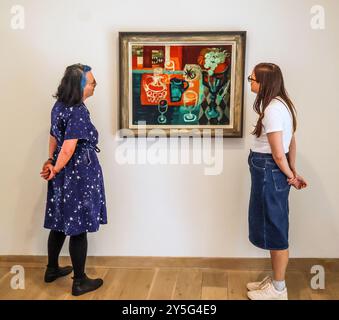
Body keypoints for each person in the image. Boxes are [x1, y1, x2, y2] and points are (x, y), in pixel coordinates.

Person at [40, 63, 107, 296]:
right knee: (79, 226)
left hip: (63, 170)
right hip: (78, 173)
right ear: (78, 87)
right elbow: (68, 148)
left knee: (60, 219)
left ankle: (51, 270)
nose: (94, 84)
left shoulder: (59, 106)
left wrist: (51, 162)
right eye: (91, 82)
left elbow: (53, 136)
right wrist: (56, 168)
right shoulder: (77, 110)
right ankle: (79, 281)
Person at [246, 63, 307, 300]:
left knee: (276, 227)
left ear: (264, 83)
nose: (250, 81)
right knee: (274, 222)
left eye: (252, 78)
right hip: (273, 170)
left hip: (269, 170)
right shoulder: (284, 105)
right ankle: (275, 281)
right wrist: (292, 170)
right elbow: (291, 142)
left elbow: (277, 152)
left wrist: (290, 174)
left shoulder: (272, 109)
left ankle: (279, 289)